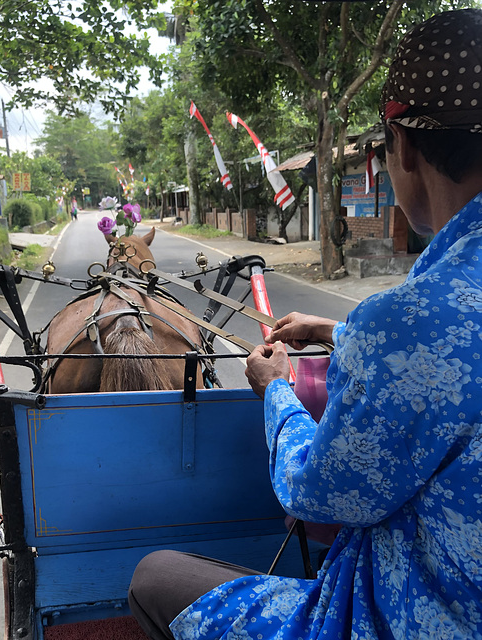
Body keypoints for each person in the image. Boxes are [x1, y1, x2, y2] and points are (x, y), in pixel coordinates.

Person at [128, 9, 482, 639]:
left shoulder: (405, 323)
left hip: (407, 620)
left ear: (401, 144)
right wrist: (338, 334)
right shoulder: (412, 324)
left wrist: (277, 394)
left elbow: (315, 494)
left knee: (155, 577)